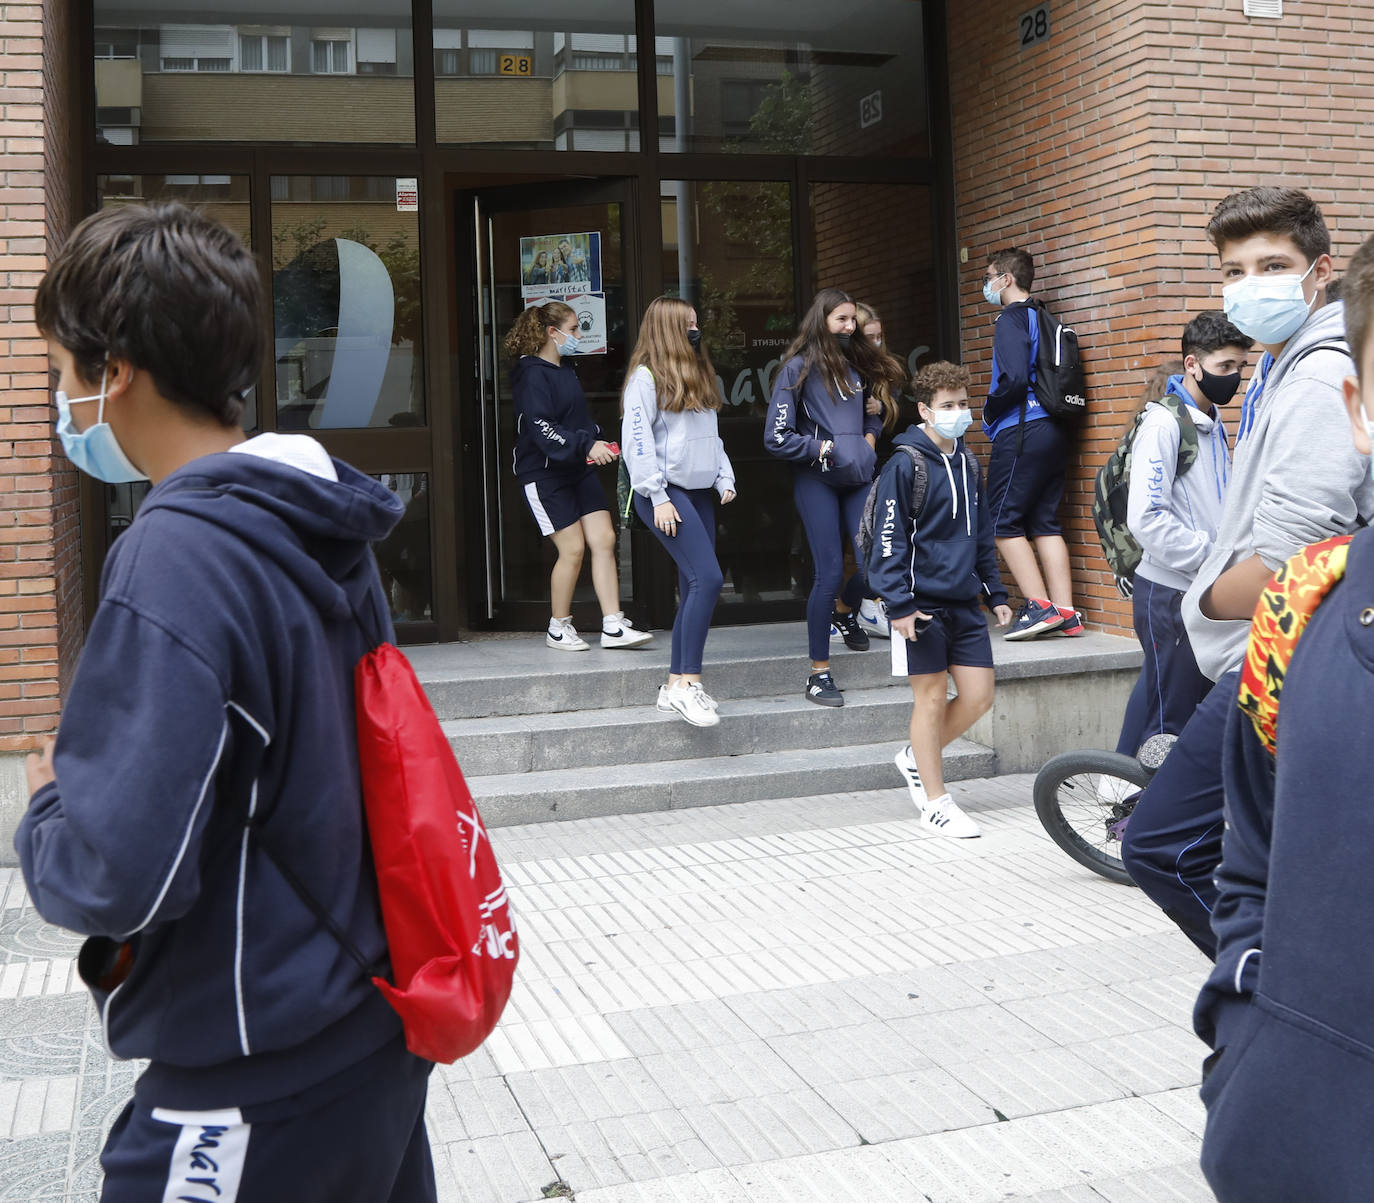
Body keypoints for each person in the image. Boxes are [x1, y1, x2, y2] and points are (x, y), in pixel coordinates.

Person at [14, 203, 438, 1200]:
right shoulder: (316, 516)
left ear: (112, 370)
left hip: (252, 1073)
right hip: (368, 1029)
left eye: (57, 374)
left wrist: (46, 817)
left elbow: (126, 875)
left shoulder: (174, 556)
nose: (59, 400)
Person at [1121, 186, 1372, 958]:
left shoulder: (1319, 378)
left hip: (1290, 651)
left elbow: (1295, 557)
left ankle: (1288, 1001)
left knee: (1162, 842)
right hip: (1291, 646)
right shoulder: (1287, 364)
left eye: (1272, 265)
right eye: (1233, 270)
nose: (1248, 285)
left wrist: (1199, 599)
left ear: (1320, 270)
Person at [1192, 231, 1374, 1201]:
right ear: (1362, 408)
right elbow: (1249, 857)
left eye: (1266, 264)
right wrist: (1251, 1036)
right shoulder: (1308, 611)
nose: (1247, 288)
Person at [868, 362, 1013, 838]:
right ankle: (936, 801)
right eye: (947, 406)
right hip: (920, 606)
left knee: (978, 697)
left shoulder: (969, 461)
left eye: (963, 403)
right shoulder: (904, 464)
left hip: (965, 602)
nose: (959, 413)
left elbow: (981, 530)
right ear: (925, 410)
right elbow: (888, 540)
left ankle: (916, 756)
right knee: (929, 700)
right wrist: (899, 605)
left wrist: (995, 592)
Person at [1113, 314, 1249, 757]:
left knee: (1172, 707)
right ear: (1192, 364)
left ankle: (1125, 798)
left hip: (1200, 587)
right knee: (1168, 721)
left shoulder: (1211, 421)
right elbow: (1147, 518)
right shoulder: (1164, 425)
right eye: (1225, 367)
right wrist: (1213, 558)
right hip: (1169, 595)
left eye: (1240, 368)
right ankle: (1136, 820)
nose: (1235, 378)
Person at [763, 287, 900, 705]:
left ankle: (845, 611)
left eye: (852, 319)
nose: (850, 326)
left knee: (875, 566)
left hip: (858, 476)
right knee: (826, 573)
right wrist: (822, 448)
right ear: (822, 320)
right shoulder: (796, 370)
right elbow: (776, 438)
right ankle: (818, 675)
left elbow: (870, 417)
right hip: (817, 479)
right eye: (842, 319)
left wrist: (870, 441)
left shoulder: (858, 366)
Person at [505, 300, 652, 652]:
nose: (578, 335)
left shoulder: (565, 371)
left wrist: (596, 440)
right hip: (543, 476)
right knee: (572, 549)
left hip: (577, 469)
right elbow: (542, 429)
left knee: (603, 539)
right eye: (572, 330)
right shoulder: (530, 374)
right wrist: (586, 446)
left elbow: (575, 422)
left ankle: (613, 625)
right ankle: (559, 627)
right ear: (551, 333)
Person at [621, 297, 736, 727]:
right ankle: (688, 684)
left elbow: (713, 436)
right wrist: (657, 496)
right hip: (665, 493)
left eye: (695, 322)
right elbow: (637, 444)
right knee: (706, 579)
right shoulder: (645, 380)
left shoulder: (699, 373)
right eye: (686, 323)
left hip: (700, 492)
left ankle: (674, 686)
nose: (695, 328)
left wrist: (724, 477)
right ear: (667, 328)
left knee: (695, 586)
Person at [980, 247, 1083, 639]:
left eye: (990, 276)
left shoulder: (1010, 320)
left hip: (1022, 428)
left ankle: (1039, 607)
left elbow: (1013, 378)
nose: (987, 285)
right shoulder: (1044, 315)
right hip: (1055, 429)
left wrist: (989, 411)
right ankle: (1067, 613)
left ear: (1006, 279)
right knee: (1044, 521)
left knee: (1002, 522)